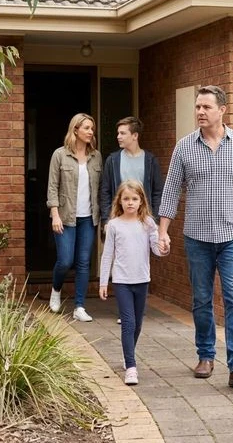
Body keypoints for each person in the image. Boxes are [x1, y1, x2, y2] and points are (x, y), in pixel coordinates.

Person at [158, 85, 233, 388]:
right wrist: (163, 229)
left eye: (206, 107)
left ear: (222, 110)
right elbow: (171, 190)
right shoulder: (184, 147)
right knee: (202, 299)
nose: (200, 112)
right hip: (197, 237)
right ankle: (206, 356)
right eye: (197, 107)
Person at [99, 180, 168, 385]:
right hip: (121, 281)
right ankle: (131, 366)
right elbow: (107, 255)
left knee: (137, 324)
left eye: (134, 199)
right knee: (128, 323)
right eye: (126, 199)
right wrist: (104, 282)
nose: (130, 203)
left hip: (142, 279)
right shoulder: (113, 225)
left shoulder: (147, 223)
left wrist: (164, 247)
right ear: (119, 201)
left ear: (141, 201)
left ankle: (127, 355)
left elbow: (156, 249)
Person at [100, 116, 164, 324]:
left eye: (123, 133)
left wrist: (152, 218)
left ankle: (137, 307)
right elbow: (106, 190)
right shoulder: (112, 160)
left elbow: (156, 191)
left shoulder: (150, 160)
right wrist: (106, 219)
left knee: (140, 259)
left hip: (143, 221)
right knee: (119, 259)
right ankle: (125, 311)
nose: (118, 137)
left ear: (134, 136)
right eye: (118, 133)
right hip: (118, 220)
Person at [47, 113, 102, 322]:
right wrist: (55, 215)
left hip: (88, 217)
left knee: (83, 262)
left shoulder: (96, 156)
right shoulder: (59, 155)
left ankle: (79, 306)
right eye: (87, 128)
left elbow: (100, 188)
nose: (90, 132)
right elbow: (52, 187)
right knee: (65, 260)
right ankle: (56, 289)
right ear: (75, 130)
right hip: (65, 216)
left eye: (92, 129)